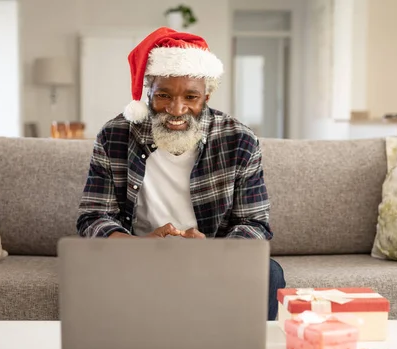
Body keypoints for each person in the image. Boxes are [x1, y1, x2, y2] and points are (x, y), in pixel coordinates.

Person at [76, 27, 286, 320]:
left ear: (207, 96)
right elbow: (93, 217)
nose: (176, 110)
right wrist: (138, 248)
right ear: (148, 93)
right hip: (136, 256)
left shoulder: (239, 139)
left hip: (214, 258)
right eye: (163, 95)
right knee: (91, 270)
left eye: (191, 97)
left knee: (269, 272)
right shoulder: (115, 135)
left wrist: (214, 254)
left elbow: (254, 223)